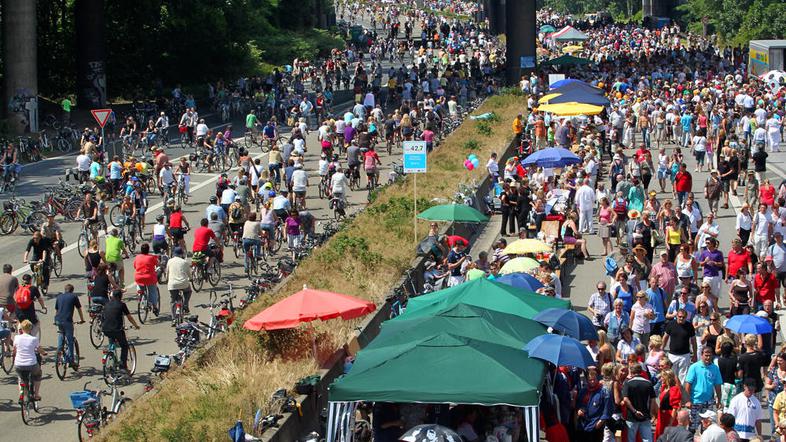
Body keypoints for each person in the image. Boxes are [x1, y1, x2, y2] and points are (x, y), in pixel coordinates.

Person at [684, 346, 723, 431]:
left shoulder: (715, 368)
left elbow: (717, 385)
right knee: (693, 427)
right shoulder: (694, 367)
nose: (708, 358)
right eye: (706, 355)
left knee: (707, 427)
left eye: (710, 355)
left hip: (708, 402)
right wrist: (687, 400)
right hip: (695, 401)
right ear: (701, 355)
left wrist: (719, 400)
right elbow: (688, 384)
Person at [101, 290, 140, 373]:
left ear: (112, 296)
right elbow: (129, 317)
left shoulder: (106, 304)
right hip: (117, 329)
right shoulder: (122, 305)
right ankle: (123, 367)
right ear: (120, 297)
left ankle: (111, 360)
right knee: (124, 346)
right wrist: (136, 325)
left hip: (105, 329)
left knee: (112, 343)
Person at [621, 363, 657, 442]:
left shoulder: (628, 383)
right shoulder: (648, 383)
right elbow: (653, 399)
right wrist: (651, 413)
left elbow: (625, 399)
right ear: (641, 371)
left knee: (631, 439)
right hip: (645, 415)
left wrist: (635, 411)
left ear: (631, 371)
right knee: (647, 439)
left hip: (631, 416)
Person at [576, 367, 613, 441]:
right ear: (587, 380)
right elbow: (578, 404)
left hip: (596, 425)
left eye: (594, 379)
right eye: (590, 380)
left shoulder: (604, 391)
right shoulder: (583, 391)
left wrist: (600, 422)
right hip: (583, 424)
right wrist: (579, 410)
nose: (592, 381)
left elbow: (608, 409)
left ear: (598, 379)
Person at [54, 284, 85, 369]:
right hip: (67, 321)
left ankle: (59, 350)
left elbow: (57, 310)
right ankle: (71, 360)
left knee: (61, 333)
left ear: (65, 289)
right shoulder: (74, 297)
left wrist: (55, 321)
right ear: (72, 290)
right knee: (70, 340)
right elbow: (79, 308)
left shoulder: (59, 297)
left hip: (58, 320)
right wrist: (82, 319)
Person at [13, 319, 45, 401]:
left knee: (20, 378)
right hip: (31, 364)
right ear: (30, 329)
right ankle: (36, 394)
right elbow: (39, 350)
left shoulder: (16, 338)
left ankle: (21, 393)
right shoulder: (34, 339)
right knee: (38, 374)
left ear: (21, 329)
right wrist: (44, 353)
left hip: (18, 364)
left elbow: (14, 351)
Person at [663, 308, 696, 382]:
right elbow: (665, 337)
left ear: (686, 317)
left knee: (683, 377)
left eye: (683, 317)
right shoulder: (670, 324)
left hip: (685, 355)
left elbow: (694, 341)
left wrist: (695, 354)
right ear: (677, 316)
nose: (681, 318)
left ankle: (681, 392)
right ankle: (672, 392)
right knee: (671, 375)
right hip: (672, 355)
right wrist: (662, 349)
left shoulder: (689, 326)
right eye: (680, 316)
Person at [14, 274, 46, 338]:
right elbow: (40, 299)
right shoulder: (33, 288)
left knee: (21, 322)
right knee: (36, 323)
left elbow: (15, 299)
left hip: (19, 311)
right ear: (30, 280)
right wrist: (43, 306)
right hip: (29, 312)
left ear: (22, 281)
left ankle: (20, 334)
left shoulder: (18, 288)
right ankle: (31, 337)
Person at [166, 247, 191, 325]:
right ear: (181, 254)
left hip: (172, 284)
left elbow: (167, 273)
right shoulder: (184, 262)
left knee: (173, 300)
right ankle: (186, 304)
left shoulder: (170, 261)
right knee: (188, 291)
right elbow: (189, 273)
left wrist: (167, 280)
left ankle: (173, 319)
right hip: (183, 283)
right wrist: (191, 278)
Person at [133, 243, 160, 316]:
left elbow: (135, 266)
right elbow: (157, 264)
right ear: (148, 250)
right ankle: (154, 306)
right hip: (149, 278)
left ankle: (140, 296)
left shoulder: (137, 257)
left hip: (139, 278)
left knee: (140, 288)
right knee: (153, 292)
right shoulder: (151, 257)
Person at [655, 369, 682, 440]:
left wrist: (670, 423)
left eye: (662, 377)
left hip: (669, 416)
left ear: (667, 378)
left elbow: (674, 408)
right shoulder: (664, 387)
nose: (661, 379)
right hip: (661, 415)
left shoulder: (674, 389)